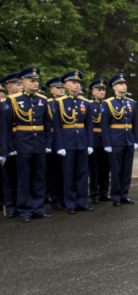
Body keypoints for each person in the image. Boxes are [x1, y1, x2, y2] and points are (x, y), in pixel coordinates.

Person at [1, 67, 53, 223]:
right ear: (23, 82)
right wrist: (9, 147)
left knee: (39, 178)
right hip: (22, 143)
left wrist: (48, 143)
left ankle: (38, 208)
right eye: (32, 81)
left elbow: (47, 124)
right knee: (24, 178)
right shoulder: (13, 100)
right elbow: (7, 127)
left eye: (37, 81)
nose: (35, 83)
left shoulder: (42, 100)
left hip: (39, 144)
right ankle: (25, 209)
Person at [53, 70, 94, 215]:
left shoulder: (85, 103)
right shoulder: (59, 103)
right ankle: (70, 203)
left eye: (78, 83)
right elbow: (56, 126)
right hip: (67, 142)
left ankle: (82, 202)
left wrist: (90, 144)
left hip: (82, 141)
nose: (77, 85)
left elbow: (89, 126)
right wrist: (59, 145)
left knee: (82, 174)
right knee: (68, 174)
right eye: (73, 83)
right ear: (66, 85)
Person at [101, 73, 138, 207]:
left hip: (128, 140)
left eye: (125, 84)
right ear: (114, 87)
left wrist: (135, 140)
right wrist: (106, 143)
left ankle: (124, 194)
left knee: (127, 169)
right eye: (121, 84)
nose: (124, 86)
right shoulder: (108, 103)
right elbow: (104, 125)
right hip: (115, 140)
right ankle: (115, 195)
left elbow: (135, 123)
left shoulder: (131, 103)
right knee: (116, 169)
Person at [0, 72, 24, 218]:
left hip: (21, 142)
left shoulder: (21, 101)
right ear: (9, 87)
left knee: (21, 175)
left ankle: (20, 203)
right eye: (17, 84)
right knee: (8, 176)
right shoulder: (3, 104)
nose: (21, 86)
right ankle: (10, 205)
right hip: (7, 142)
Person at [88, 78, 111, 203]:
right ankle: (94, 193)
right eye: (99, 90)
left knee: (105, 168)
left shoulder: (107, 105)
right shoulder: (89, 105)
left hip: (106, 141)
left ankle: (104, 192)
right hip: (95, 140)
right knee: (94, 169)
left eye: (103, 90)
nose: (102, 92)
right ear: (93, 92)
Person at [45, 76, 66, 210]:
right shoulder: (47, 103)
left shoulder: (67, 102)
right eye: (58, 88)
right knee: (53, 172)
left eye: (63, 87)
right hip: (52, 139)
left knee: (66, 171)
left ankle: (65, 198)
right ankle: (55, 199)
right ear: (52, 90)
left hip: (65, 139)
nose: (61, 90)